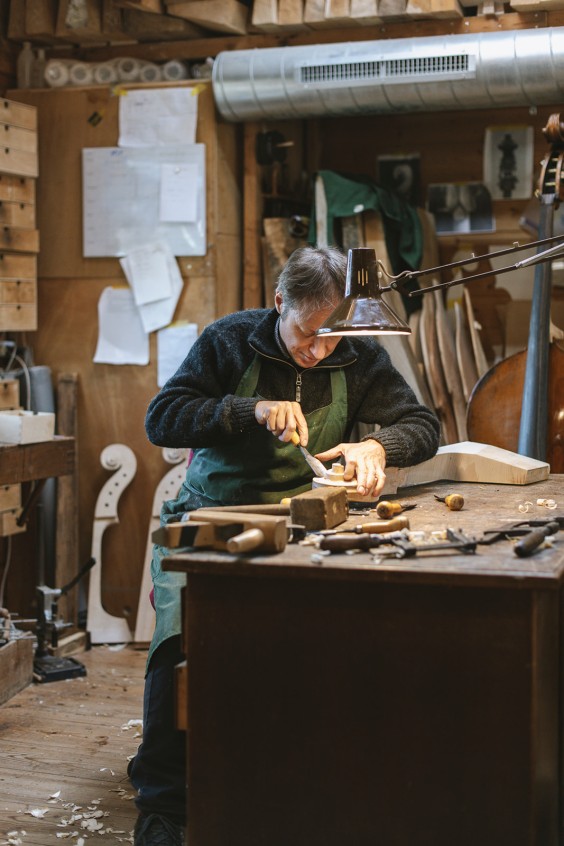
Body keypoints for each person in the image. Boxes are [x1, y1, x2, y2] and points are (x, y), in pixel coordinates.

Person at [129, 246, 441, 845]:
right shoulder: (230, 341)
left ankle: (283, 779)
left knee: (314, 645)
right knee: (178, 647)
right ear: (279, 303)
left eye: (332, 334)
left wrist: (379, 447)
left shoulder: (356, 351)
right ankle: (164, 801)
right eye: (308, 332)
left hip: (304, 518)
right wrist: (250, 409)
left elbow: (423, 424)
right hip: (210, 517)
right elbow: (161, 417)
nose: (321, 348)